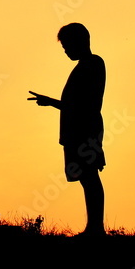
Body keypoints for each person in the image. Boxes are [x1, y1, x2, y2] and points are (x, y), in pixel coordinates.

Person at [28, 22, 106, 236]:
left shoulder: (92, 64)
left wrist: (51, 102)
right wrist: (51, 102)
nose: (66, 51)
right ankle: (94, 227)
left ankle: (96, 228)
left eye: (67, 46)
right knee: (85, 177)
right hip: (78, 130)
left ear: (81, 41)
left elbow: (86, 105)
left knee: (89, 176)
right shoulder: (86, 65)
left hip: (86, 129)